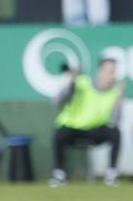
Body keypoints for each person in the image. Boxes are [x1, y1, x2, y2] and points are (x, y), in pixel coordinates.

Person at [50, 57, 124, 186]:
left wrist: (119, 101)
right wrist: (71, 82)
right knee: (59, 133)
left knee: (115, 132)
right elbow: (57, 101)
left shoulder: (114, 92)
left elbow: (116, 120)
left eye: (113, 72)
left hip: (96, 131)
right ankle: (59, 174)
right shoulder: (82, 83)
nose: (111, 76)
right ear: (100, 71)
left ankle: (111, 174)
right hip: (73, 128)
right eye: (108, 71)